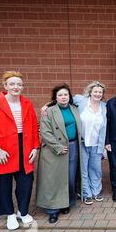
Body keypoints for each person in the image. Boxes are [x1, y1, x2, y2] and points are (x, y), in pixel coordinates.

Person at [0, 71, 39, 230]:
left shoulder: (27, 103)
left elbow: (34, 127)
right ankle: (10, 215)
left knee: (26, 182)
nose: (16, 87)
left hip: (24, 148)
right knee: (3, 184)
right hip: (2, 149)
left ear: (22, 87)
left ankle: (23, 212)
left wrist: (35, 147)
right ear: (5, 86)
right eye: (12, 84)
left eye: (19, 84)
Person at [41, 81, 108, 205]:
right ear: (90, 92)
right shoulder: (80, 101)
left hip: (96, 143)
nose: (98, 94)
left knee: (96, 169)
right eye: (95, 91)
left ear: (103, 94)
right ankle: (87, 194)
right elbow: (62, 99)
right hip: (82, 142)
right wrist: (47, 105)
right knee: (83, 170)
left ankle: (96, 191)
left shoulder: (104, 106)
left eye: (100, 92)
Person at [36, 84, 83, 223]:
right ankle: (52, 210)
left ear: (70, 96)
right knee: (53, 180)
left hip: (73, 147)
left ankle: (65, 203)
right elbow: (45, 132)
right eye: (60, 95)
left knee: (69, 177)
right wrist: (57, 147)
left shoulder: (75, 109)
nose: (63, 97)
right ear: (55, 98)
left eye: (66, 95)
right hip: (54, 150)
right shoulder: (48, 111)